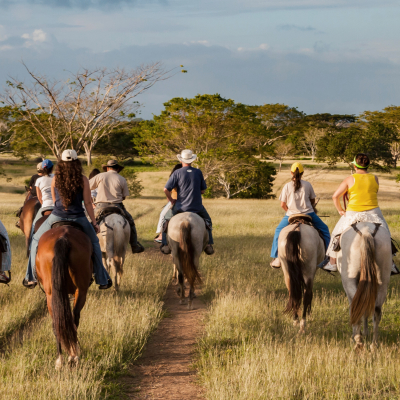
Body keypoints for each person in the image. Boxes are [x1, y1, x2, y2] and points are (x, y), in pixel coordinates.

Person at [22, 149, 112, 290]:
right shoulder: (83, 179)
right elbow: (88, 203)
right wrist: (94, 223)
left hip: (56, 216)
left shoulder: (55, 179)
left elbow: (54, 200)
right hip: (78, 217)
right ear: (77, 162)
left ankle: (31, 277)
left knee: (34, 240)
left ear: (61, 163)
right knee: (94, 242)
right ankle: (101, 278)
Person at [320, 153, 399, 274]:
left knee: (336, 232)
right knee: (386, 233)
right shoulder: (375, 178)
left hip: (353, 212)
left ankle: (332, 262)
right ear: (367, 165)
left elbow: (335, 196)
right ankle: (391, 263)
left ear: (355, 166)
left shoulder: (349, 179)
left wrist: (340, 210)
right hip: (374, 211)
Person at [270, 162, 330, 268]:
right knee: (325, 229)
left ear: (291, 173)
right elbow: (312, 201)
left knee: (278, 231)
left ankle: (277, 257)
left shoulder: (287, 186)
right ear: (302, 173)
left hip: (291, 214)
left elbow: (282, 204)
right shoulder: (307, 185)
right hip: (308, 213)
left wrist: (289, 211)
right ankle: (327, 258)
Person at [160, 149, 214, 255]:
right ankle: (209, 245)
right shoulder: (198, 172)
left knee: (165, 220)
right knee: (208, 220)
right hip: (197, 207)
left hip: (180, 207)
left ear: (181, 160)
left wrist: (171, 200)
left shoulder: (177, 172)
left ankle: (165, 244)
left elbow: (166, 189)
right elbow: (203, 190)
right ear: (192, 161)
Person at [89, 160, 144, 254]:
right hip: (117, 206)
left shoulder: (100, 176)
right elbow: (124, 196)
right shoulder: (122, 179)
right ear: (118, 168)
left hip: (101, 205)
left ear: (107, 168)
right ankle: (134, 245)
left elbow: (87, 186)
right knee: (130, 222)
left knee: (89, 222)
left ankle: (88, 246)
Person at [154, 164, 182, 243]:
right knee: (206, 219)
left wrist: (170, 200)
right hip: (190, 201)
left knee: (163, 214)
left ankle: (161, 235)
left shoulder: (173, 178)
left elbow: (167, 191)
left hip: (175, 201)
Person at [30, 159, 55, 236]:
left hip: (45, 207)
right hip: (57, 207)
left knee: (33, 227)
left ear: (42, 169)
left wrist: (43, 204)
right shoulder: (56, 177)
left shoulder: (39, 180)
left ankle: (32, 246)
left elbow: (39, 197)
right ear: (52, 168)